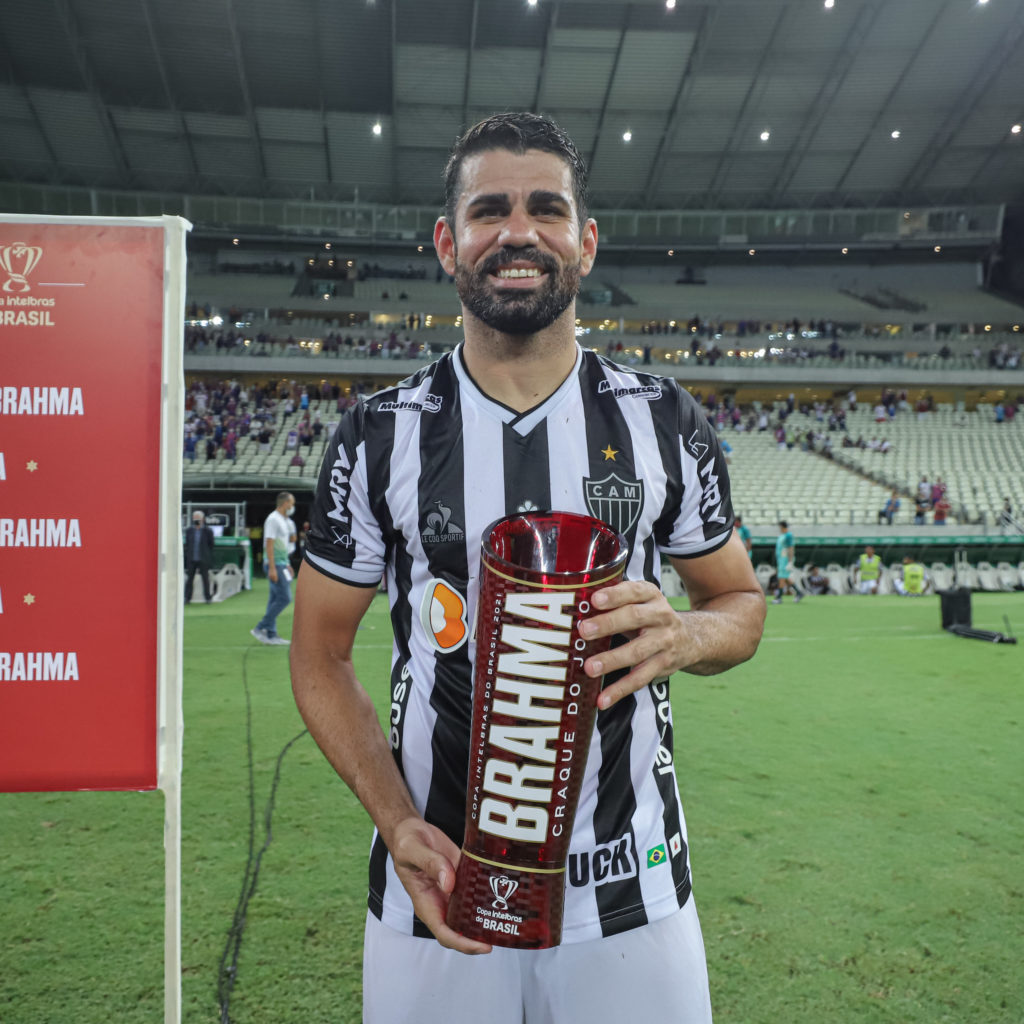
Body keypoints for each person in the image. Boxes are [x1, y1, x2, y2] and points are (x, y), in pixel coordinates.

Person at [289, 113, 766, 1024]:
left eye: (547, 209)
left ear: (584, 243)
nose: (518, 232)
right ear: (448, 242)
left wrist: (686, 632)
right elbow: (319, 654)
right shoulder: (379, 433)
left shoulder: (662, 421)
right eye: (489, 211)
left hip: (632, 896)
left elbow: (739, 601)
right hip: (438, 889)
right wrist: (396, 824)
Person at [252, 491, 296, 646]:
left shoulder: (283, 521)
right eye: (292, 503)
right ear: (285, 503)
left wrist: (287, 564)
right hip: (274, 564)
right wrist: (271, 567)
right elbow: (269, 543)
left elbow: (283, 545)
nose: (293, 506)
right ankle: (260, 627)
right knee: (285, 598)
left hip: (281, 563)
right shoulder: (273, 519)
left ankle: (271, 634)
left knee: (274, 599)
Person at [183, 510, 215, 603]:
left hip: (203, 558)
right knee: (189, 580)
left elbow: (211, 544)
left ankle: (208, 598)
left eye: (198, 518)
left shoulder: (208, 531)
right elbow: (187, 544)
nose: (197, 520)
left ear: (203, 519)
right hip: (192, 558)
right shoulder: (189, 530)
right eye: (195, 518)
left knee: (205, 579)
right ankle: (187, 598)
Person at [771, 520, 803, 603]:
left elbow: (791, 548)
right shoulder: (782, 535)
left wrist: (790, 561)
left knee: (781, 578)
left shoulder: (788, 536)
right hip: (781, 559)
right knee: (785, 577)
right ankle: (799, 593)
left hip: (785, 559)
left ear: (782, 526)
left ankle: (779, 597)